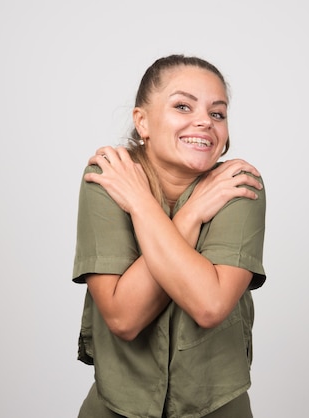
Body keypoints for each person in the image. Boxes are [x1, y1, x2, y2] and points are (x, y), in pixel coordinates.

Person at [72, 54, 267, 418]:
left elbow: (209, 304)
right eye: (183, 106)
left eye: (217, 113)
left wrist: (139, 206)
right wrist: (190, 214)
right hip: (117, 407)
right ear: (142, 121)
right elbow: (123, 318)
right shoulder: (109, 177)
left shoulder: (238, 185)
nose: (204, 123)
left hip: (217, 407)